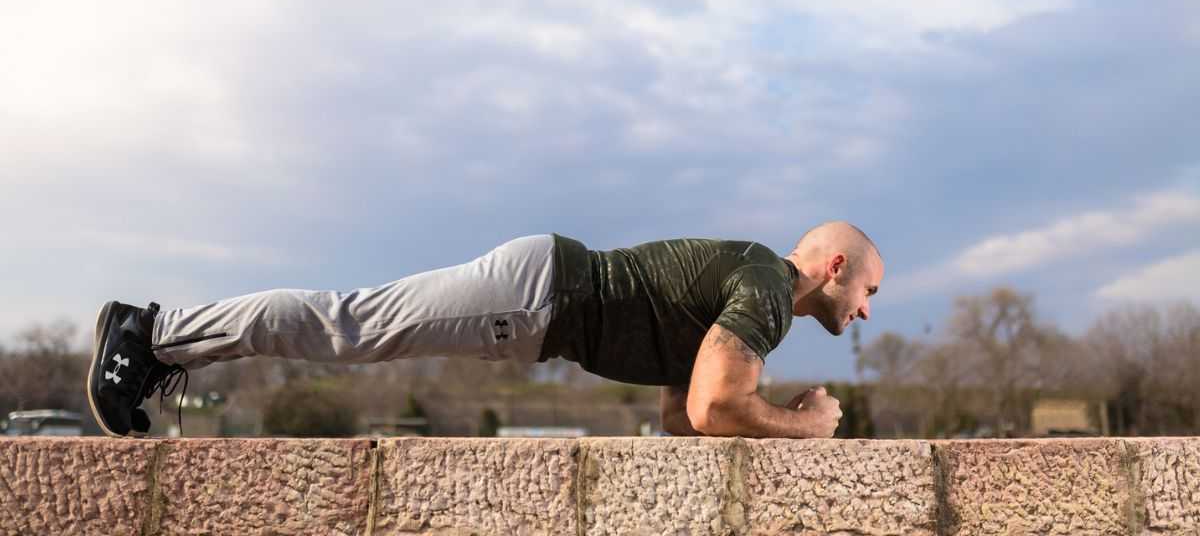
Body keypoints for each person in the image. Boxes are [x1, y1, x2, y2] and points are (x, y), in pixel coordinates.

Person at [86, 221, 882, 438]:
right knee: (349, 325)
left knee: (351, 324)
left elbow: (684, 415)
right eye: (871, 290)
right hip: (541, 297)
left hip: (543, 296)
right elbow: (715, 411)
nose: (869, 310)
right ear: (836, 264)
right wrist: (806, 426)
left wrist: (756, 408)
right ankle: (152, 333)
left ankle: (158, 337)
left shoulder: (750, 292)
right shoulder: (769, 290)